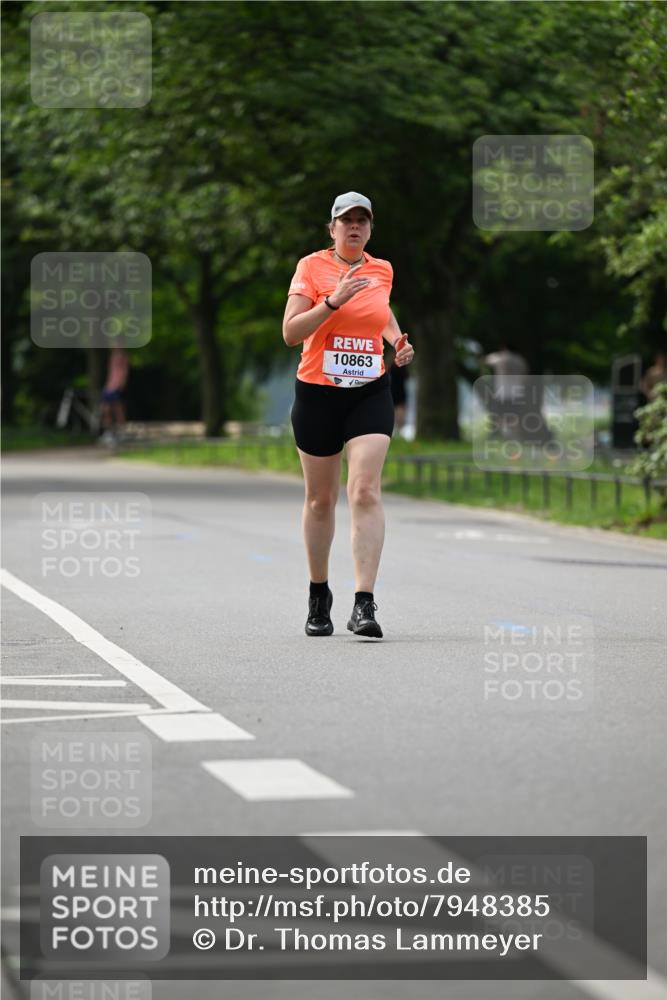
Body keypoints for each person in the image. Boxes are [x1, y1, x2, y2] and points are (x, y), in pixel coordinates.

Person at [283, 191, 414, 639]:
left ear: (371, 228)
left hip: (369, 392)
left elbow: (380, 312)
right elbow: (290, 332)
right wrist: (332, 302)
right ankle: (319, 595)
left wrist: (397, 340)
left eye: (363, 220)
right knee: (321, 500)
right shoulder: (311, 268)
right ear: (332, 227)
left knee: (364, 491)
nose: (354, 226)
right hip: (317, 393)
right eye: (346, 220)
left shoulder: (382, 270)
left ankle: (364, 603)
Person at [99, 345, 129, 445]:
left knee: (118, 411)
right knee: (105, 410)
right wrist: (107, 385)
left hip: (116, 387)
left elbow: (124, 372)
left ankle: (122, 433)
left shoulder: (122, 356)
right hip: (109, 387)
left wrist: (120, 385)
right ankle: (109, 433)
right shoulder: (113, 355)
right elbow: (110, 373)